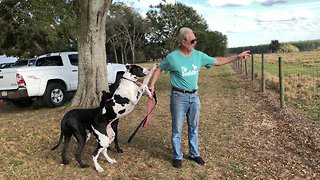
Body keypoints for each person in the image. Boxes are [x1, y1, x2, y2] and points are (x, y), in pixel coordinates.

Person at [148, 27, 250, 168]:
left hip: (194, 97)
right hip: (178, 97)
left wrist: (237, 56)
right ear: (184, 42)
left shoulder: (199, 56)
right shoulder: (172, 58)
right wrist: (152, 85)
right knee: (177, 128)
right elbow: (160, 68)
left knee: (193, 127)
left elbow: (217, 61)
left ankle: (194, 154)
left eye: (195, 40)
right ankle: (177, 156)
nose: (195, 43)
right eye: (192, 40)